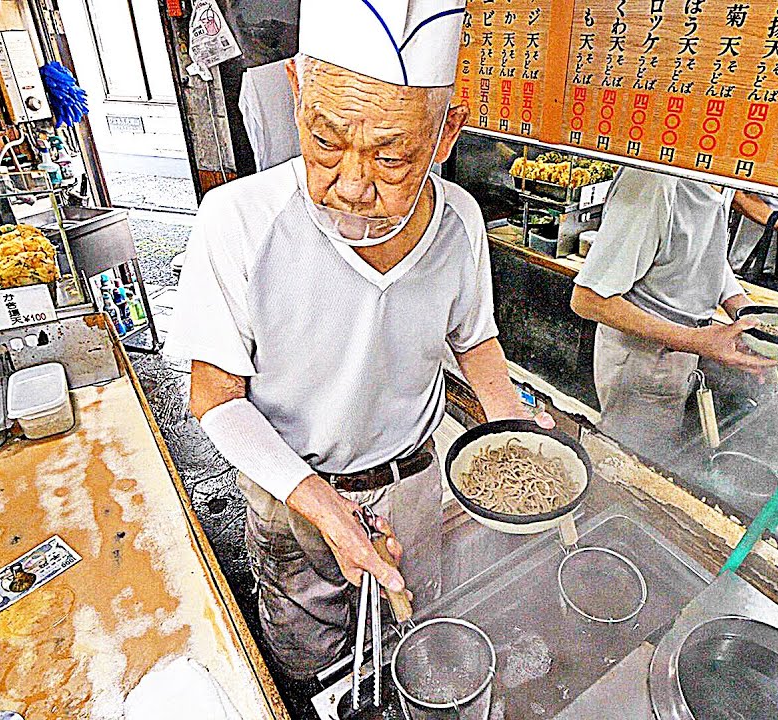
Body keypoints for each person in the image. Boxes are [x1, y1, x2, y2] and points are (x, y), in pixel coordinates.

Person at [167, 0, 547, 680]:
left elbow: (475, 339)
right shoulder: (239, 221)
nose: (349, 185)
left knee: (416, 636)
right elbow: (215, 397)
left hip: (414, 485)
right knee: (312, 664)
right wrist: (321, 505)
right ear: (296, 94)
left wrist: (516, 429)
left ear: (446, 134)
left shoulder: (459, 220)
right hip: (292, 496)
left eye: (392, 157)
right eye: (325, 141)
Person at [570, 169, 776, 464]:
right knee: (631, 466)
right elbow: (589, 300)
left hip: (686, 348)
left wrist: (745, 316)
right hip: (644, 361)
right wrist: (695, 340)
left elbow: (706, 253)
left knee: (659, 455)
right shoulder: (654, 180)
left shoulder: (726, 175)